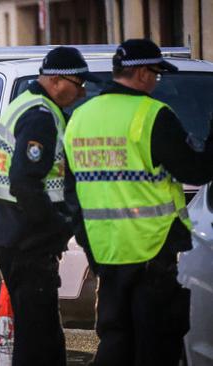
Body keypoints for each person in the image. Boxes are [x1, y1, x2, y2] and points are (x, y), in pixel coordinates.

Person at [64, 39, 213, 366]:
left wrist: (90, 244)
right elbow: (197, 171)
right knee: (155, 344)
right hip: (151, 250)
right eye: (157, 74)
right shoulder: (153, 115)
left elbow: (70, 193)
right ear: (143, 73)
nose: (157, 81)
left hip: (105, 252)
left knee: (115, 339)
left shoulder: (79, 118)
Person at [0, 47, 99, 366]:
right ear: (58, 81)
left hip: (11, 229)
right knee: (38, 332)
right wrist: (55, 227)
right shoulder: (40, 116)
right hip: (26, 236)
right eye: (78, 83)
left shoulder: (28, 105)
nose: (82, 91)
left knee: (38, 327)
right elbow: (25, 182)